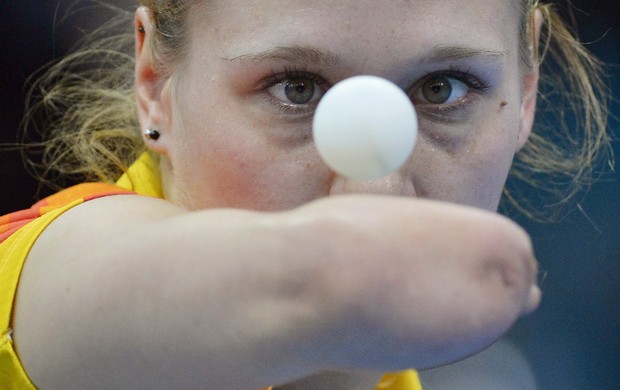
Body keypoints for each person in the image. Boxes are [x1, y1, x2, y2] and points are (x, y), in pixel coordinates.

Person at [0, 0, 610, 388]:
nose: (374, 188)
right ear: (154, 82)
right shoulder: (50, 278)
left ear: (526, 91)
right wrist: (330, 277)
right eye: (295, 89)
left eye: (443, 89)